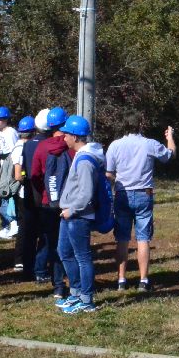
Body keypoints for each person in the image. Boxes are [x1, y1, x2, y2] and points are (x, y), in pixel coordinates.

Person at [105, 116, 175, 292]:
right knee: (143, 238)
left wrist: (118, 180)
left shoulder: (115, 145)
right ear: (140, 125)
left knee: (122, 238)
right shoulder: (149, 144)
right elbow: (170, 155)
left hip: (122, 193)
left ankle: (121, 280)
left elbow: (109, 173)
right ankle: (143, 280)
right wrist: (170, 138)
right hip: (144, 193)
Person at [56, 116, 104, 314]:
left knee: (82, 257)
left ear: (75, 136)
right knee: (64, 252)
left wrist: (71, 210)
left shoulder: (85, 160)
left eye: (66, 134)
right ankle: (75, 293)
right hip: (70, 214)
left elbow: (86, 194)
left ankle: (86, 299)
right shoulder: (80, 155)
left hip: (78, 216)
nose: (64, 137)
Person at [29, 106, 71, 302]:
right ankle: (71, 281)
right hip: (68, 203)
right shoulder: (71, 146)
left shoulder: (42, 147)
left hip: (48, 202)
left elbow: (34, 175)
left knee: (51, 242)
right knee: (69, 243)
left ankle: (57, 285)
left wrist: (42, 193)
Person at [8, 115, 39, 280]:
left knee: (25, 227)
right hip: (24, 192)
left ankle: (22, 259)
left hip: (24, 192)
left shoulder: (18, 145)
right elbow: (18, 175)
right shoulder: (22, 147)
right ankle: (20, 259)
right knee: (25, 228)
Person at [0, 106, 18, 237]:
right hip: (2, 166)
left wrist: (12, 171)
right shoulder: (2, 133)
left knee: (7, 194)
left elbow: (14, 152)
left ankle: (14, 224)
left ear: (6, 120)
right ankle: (7, 224)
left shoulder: (10, 132)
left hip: (9, 168)